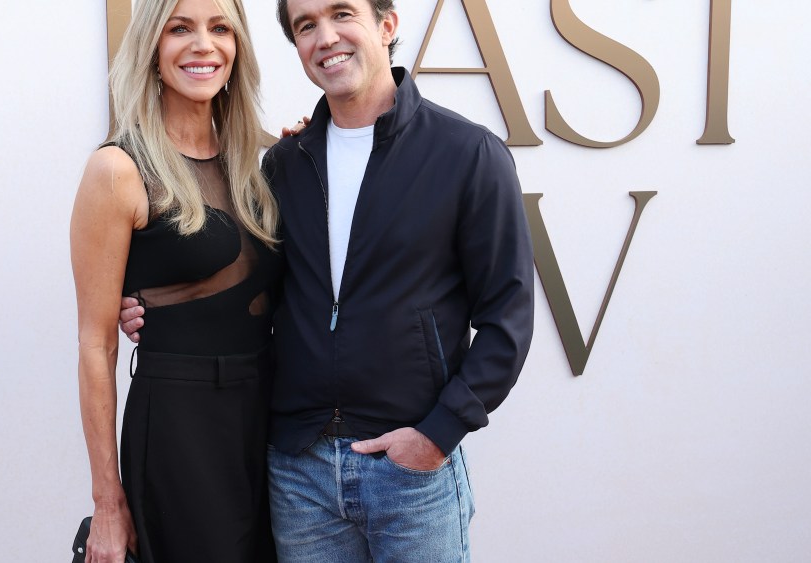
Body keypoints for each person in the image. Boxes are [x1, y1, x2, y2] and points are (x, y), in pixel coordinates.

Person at [122, 0, 535, 560]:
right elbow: (253, 289)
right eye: (306, 25)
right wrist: (158, 304)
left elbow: (508, 317)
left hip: (410, 473)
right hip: (299, 473)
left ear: (386, 26)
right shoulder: (284, 164)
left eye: (342, 14)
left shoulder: (468, 154)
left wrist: (438, 434)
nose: (326, 37)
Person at [69, 0, 281, 561]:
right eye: (179, 28)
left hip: (270, 418)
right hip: (181, 426)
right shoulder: (118, 170)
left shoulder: (258, 168)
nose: (203, 44)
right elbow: (95, 345)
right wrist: (107, 502)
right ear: (151, 48)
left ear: (237, 49)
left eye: (220, 28)